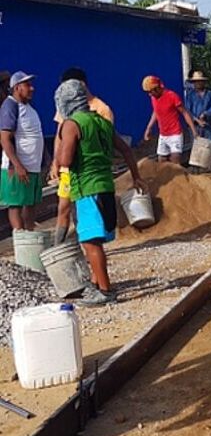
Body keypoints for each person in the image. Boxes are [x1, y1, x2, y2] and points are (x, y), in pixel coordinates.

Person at [56, 79, 145, 306]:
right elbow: (125, 149)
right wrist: (136, 176)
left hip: (87, 189)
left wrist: (58, 158)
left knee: (90, 243)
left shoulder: (72, 124)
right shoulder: (101, 121)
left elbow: (65, 159)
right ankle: (96, 284)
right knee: (95, 239)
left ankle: (105, 291)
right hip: (105, 186)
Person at [51, 67, 114, 244]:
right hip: (71, 172)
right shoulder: (67, 109)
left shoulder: (101, 110)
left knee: (88, 219)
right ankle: (59, 246)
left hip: (89, 175)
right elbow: (59, 135)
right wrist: (56, 161)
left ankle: (86, 242)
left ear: (81, 85)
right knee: (63, 207)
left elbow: (107, 141)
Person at [0, 71, 45, 231]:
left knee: (30, 203)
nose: (32, 88)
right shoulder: (10, 106)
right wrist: (17, 165)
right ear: (17, 88)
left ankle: (29, 236)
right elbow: (5, 138)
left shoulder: (28, 108)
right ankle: (21, 240)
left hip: (32, 166)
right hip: (18, 167)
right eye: (27, 85)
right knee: (16, 205)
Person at [142, 75, 197, 164]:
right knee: (161, 161)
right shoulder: (153, 98)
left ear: (157, 88)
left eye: (151, 92)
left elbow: (184, 112)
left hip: (175, 134)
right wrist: (148, 128)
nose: (149, 94)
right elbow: (156, 112)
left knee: (175, 160)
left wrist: (193, 130)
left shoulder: (172, 96)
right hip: (163, 135)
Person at [184, 71, 211, 140]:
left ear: (203, 82)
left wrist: (205, 114)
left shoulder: (209, 93)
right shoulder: (190, 94)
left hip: (207, 125)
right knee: (196, 146)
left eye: (200, 81)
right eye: (196, 81)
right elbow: (187, 111)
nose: (198, 83)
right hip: (194, 126)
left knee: (208, 146)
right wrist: (198, 120)